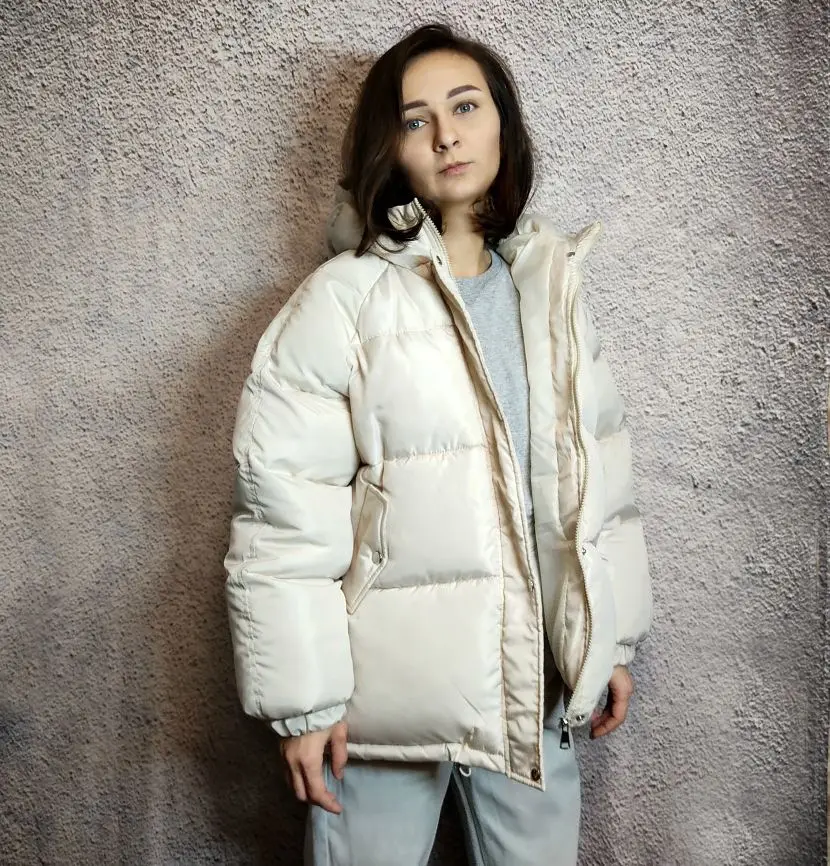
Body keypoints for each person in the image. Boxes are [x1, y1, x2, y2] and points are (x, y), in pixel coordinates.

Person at [224, 22, 653, 866]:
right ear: (389, 148)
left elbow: (599, 483)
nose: (447, 135)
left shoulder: (551, 292)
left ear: (503, 126)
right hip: (382, 699)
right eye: (416, 119)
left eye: (466, 107)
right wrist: (304, 702)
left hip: (529, 680)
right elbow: (282, 510)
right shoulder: (344, 300)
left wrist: (604, 641)